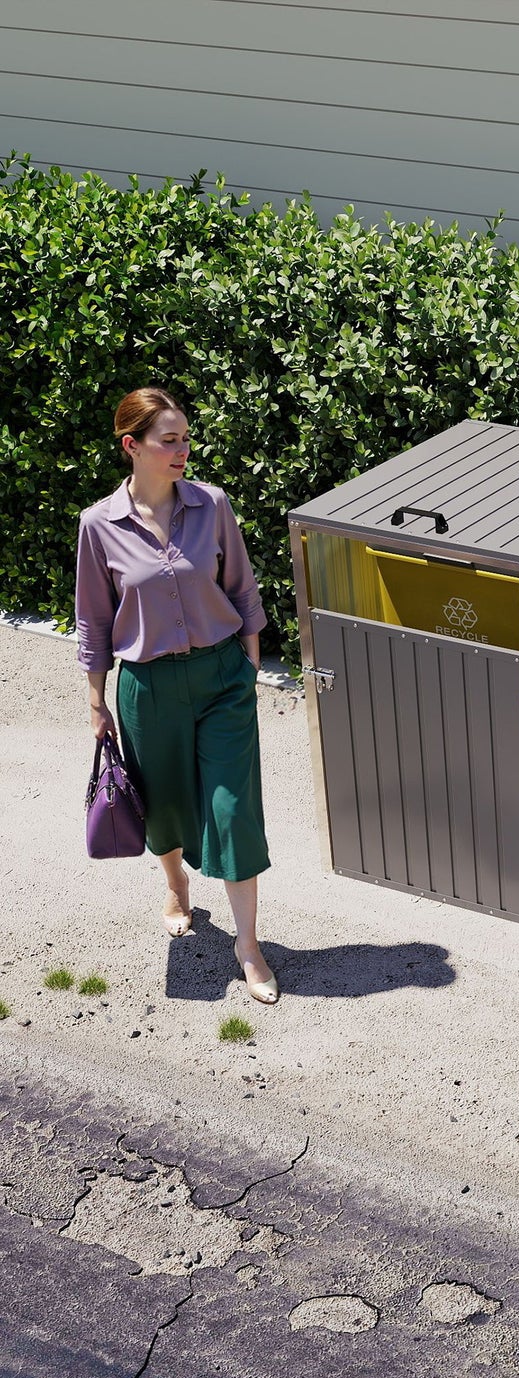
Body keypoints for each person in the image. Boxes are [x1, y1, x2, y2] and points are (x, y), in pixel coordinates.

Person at [75, 387, 279, 1004]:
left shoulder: (212, 505)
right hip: (148, 686)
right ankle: (176, 885)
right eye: (169, 440)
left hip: (221, 680)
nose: (183, 449)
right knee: (162, 805)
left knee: (233, 809)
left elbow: (241, 586)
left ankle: (248, 945)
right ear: (132, 446)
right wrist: (97, 700)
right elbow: (94, 620)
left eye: (186, 438)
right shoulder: (98, 525)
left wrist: (248, 664)